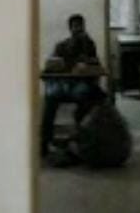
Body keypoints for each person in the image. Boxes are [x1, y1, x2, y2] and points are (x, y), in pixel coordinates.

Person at [40, 14, 105, 157]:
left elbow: (96, 66)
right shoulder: (62, 46)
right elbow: (51, 66)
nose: (78, 29)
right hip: (64, 83)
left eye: (81, 26)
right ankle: (44, 141)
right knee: (50, 97)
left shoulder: (89, 45)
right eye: (75, 26)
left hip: (80, 84)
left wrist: (87, 60)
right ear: (70, 28)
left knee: (84, 95)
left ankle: (80, 138)